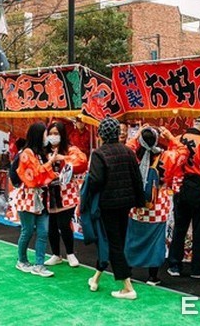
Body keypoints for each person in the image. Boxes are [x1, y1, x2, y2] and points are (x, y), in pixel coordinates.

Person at [86, 117, 145, 300]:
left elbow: (95, 181)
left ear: (101, 134)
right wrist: (140, 203)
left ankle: (128, 287)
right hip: (125, 204)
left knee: (113, 244)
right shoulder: (128, 151)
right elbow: (137, 179)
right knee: (115, 241)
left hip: (107, 205)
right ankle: (95, 277)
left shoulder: (99, 154)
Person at [161, 117, 200, 279]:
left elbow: (170, 162)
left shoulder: (178, 140)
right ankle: (197, 269)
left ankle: (174, 266)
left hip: (180, 188)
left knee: (179, 228)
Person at [15, 122, 63, 278]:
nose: (47, 137)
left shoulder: (39, 153)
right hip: (28, 198)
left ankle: (39, 265)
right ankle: (22, 260)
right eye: (45, 134)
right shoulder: (26, 153)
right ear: (38, 135)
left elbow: (44, 175)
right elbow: (34, 176)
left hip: (42, 197)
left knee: (43, 232)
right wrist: (50, 163)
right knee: (27, 231)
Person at [125, 126, 168, 286]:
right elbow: (181, 154)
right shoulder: (165, 156)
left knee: (133, 238)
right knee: (155, 241)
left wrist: (136, 135)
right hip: (157, 205)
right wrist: (171, 137)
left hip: (136, 205)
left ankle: (128, 271)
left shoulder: (132, 155)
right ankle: (153, 277)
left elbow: (128, 146)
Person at [43, 121, 88, 268]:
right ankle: (56, 254)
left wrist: (63, 158)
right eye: (51, 133)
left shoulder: (70, 149)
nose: (53, 136)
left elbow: (82, 162)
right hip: (49, 193)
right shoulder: (44, 151)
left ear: (62, 135)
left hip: (66, 192)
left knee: (64, 224)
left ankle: (70, 253)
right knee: (51, 225)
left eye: (56, 133)